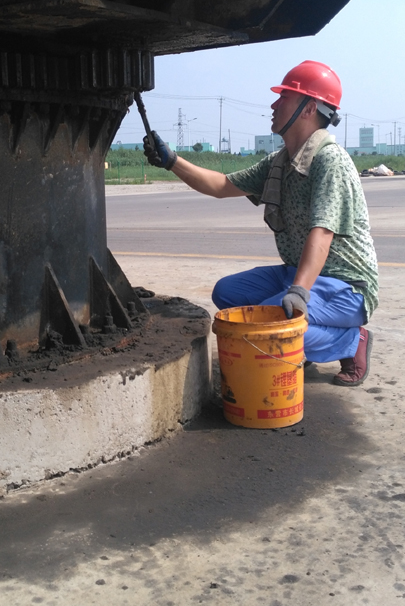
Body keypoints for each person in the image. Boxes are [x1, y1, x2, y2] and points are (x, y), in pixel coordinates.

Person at [142, 61, 378, 386]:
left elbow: (322, 232)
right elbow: (222, 185)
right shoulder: (281, 161)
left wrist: (299, 291)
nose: (274, 105)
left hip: (346, 287)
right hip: (298, 271)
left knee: (262, 326)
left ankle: (351, 341)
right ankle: (300, 339)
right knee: (227, 294)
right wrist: (171, 161)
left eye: (284, 98)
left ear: (309, 108)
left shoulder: (330, 160)